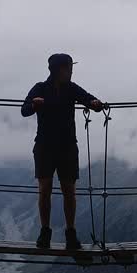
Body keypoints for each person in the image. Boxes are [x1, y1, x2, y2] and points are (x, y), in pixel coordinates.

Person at [21, 53, 105, 251]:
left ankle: (67, 233)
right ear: (60, 70)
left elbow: (90, 100)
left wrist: (95, 104)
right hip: (49, 146)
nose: (72, 71)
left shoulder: (70, 88)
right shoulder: (40, 87)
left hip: (62, 146)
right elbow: (24, 110)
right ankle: (49, 231)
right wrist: (34, 104)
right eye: (69, 67)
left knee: (64, 191)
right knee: (47, 190)